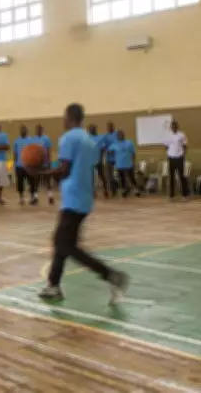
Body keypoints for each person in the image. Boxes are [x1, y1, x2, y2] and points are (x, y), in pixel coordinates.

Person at [35, 104, 129, 303]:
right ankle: (53, 286)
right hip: (84, 196)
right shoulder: (88, 140)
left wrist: (40, 172)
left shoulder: (68, 138)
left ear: (70, 117)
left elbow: (64, 170)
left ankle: (110, 274)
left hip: (73, 197)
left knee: (66, 245)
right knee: (61, 242)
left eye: (64, 117)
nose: (63, 120)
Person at [164, 120, 190, 201]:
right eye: (172, 126)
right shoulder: (168, 136)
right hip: (171, 158)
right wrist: (169, 154)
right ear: (171, 127)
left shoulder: (181, 135)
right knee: (171, 177)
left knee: (181, 176)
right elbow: (166, 146)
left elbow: (185, 145)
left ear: (177, 127)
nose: (174, 127)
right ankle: (171, 195)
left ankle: (184, 195)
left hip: (179, 157)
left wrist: (183, 155)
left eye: (175, 126)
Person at [110, 131, 141, 197]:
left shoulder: (129, 143)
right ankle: (125, 190)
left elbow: (133, 153)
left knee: (131, 177)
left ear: (124, 135)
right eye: (119, 135)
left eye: (121, 134)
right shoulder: (114, 144)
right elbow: (110, 152)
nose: (120, 136)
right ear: (117, 136)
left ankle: (136, 190)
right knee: (122, 178)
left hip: (128, 164)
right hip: (119, 164)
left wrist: (133, 162)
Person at [13, 125, 37, 206]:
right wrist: (15, 164)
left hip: (29, 165)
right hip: (19, 166)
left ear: (27, 131)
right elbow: (15, 153)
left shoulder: (31, 140)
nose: (23, 131)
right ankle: (21, 198)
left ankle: (32, 197)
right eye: (21, 130)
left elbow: (34, 152)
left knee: (31, 182)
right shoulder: (16, 141)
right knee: (20, 183)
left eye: (24, 130)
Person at [34, 124, 55, 205]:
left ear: (42, 130)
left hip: (45, 163)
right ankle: (35, 197)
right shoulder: (34, 139)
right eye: (37, 129)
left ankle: (50, 197)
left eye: (40, 129)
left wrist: (49, 162)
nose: (39, 130)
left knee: (48, 180)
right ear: (36, 131)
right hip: (37, 163)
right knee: (36, 181)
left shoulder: (46, 139)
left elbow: (49, 151)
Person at [87, 124, 109, 199]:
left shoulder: (100, 138)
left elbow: (103, 149)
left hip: (98, 160)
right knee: (91, 177)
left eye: (93, 128)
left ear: (95, 129)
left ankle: (106, 190)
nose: (91, 130)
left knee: (102, 175)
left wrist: (100, 158)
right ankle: (93, 192)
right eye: (90, 129)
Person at [103, 122, 119, 196]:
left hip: (117, 157)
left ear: (113, 127)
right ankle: (113, 189)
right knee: (109, 175)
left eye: (111, 126)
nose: (109, 128)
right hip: (108, 158)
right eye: (108, 127)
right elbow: (104, 146)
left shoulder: (117, 134)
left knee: (117, 174)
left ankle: (120, 187)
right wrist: (106, 150)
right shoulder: (106, 136)